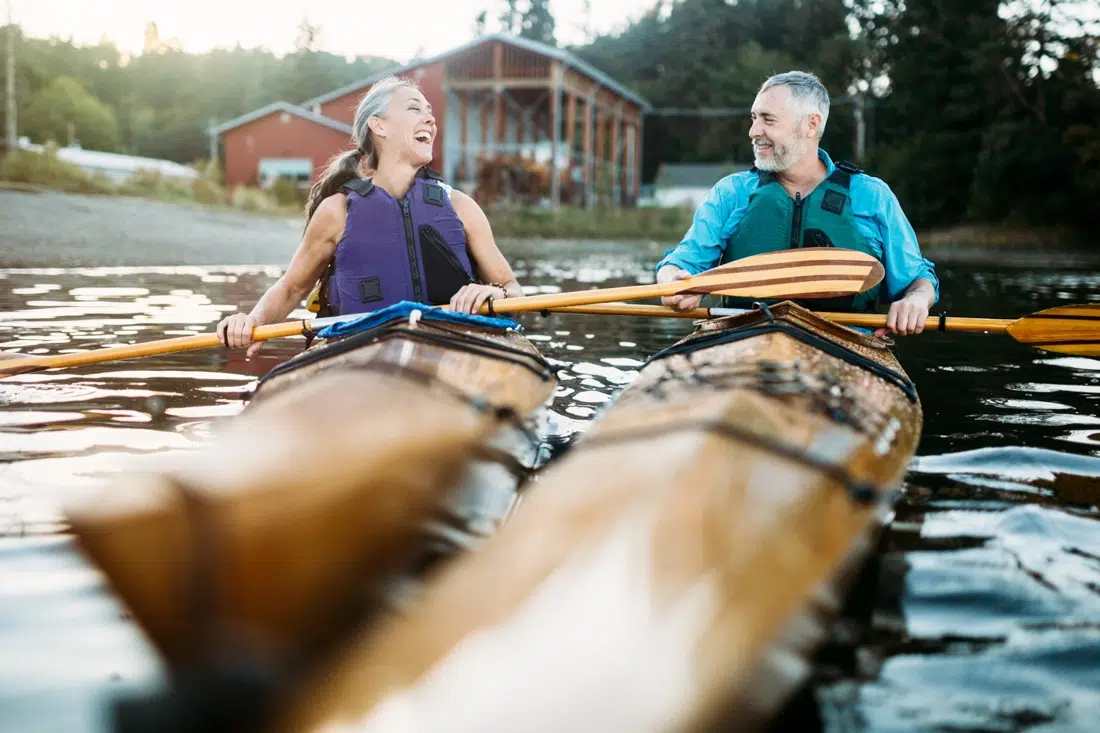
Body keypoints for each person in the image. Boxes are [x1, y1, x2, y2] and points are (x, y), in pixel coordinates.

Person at [217, 76, 523, 356]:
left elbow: (512, 290)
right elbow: (291, 288)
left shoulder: (460, 206)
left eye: (430, 112)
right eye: (415, 109)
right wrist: (253, 321)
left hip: (454, 348)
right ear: (379, 126)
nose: (431, 119)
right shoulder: (338, 211)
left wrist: (492, 292)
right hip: (360, 352)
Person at [656, 71, 938, 337]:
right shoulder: (731, 193)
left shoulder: (872, 196)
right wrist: (672, 282)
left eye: (768, 119)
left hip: (845, 342)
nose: (754, 131)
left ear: (811, 125)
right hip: (742, 338)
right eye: (754, 118)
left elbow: (917, 279)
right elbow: (680, 263)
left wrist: (916, 300)